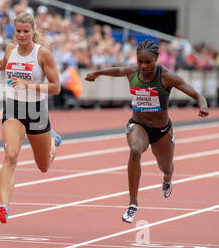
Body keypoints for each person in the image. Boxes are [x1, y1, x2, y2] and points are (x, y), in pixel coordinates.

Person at [85, 39, 209, 223]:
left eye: (148, 62)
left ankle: (167, 178)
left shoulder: (166, 76)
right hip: (138, 125)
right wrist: (98, 73)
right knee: (135, 151)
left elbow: (195, 93)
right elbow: (119, 70)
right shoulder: (132, 72)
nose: (143, 66)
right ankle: (133, 203)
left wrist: (203, 104)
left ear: (157, 59)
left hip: (161, 130)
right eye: (140, 61)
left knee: (166, 167)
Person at [0, 12, 63, 224]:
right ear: (14, 31)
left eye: (26, 31)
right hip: (13, 109)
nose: (22, 35)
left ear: (33, 31)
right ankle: (3, 206)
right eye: (18, 31)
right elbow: (2, 64)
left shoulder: (42, 54)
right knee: (11, 155)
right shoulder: (10, 49)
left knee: (43, 166)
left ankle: (53, 141)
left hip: (37, 111)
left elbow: (56, 87)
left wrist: (28, 85)